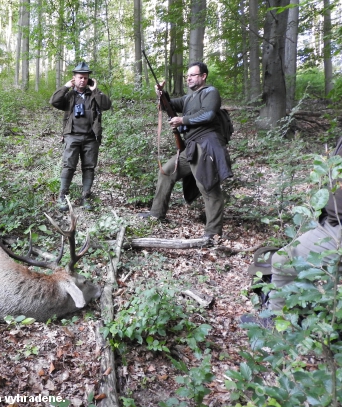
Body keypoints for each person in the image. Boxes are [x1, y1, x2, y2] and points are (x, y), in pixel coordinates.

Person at [242, 137, 342, 328]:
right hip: (330, 223)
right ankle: (298, 316)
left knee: (283, 260)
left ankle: (279, 326)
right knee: (285, 260)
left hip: (337, 229)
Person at [138, 62, 232, 241]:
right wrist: (161, 94)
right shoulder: (188, 98)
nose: (189, 78)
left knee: (208, 187)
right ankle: (156, 213)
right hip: (190, 147)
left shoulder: (210, 92)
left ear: (203, 76)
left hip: (205, 145)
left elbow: (209, 115)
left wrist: (183, 120)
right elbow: (168, 105)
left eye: (193, 75)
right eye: (187, 76)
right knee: (166, 171)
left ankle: (213, 232)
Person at [50, 62, 112, 211]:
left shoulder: (95, 94)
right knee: (68, 166)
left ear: (88, 79)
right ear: (74, 78)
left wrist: (95, 90)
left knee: (89, 167)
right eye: (79, 77)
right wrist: (65, 86)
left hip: (91, 137)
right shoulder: (69, 95)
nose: (82, 80)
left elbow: (106, 105)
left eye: (85, 78)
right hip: (72, 136)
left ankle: (85, 197)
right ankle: (62, 197)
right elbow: (54, 101)